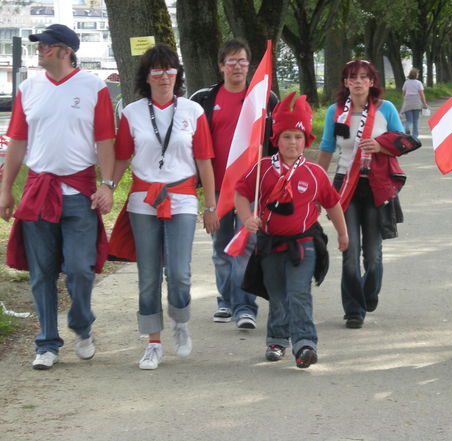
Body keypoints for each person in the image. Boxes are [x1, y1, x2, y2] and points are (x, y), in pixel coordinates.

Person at [0, 24, 116, 370]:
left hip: (80, 193)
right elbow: (18, 142)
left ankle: (81, 324)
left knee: (80, 269)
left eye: (46, 45)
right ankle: (47, 343)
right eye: (39, 45)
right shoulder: (28, 88)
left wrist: (107, 184)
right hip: (38, 192)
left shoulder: (93, 87)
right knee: (41, 273)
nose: (40, 50)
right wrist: (5, 189)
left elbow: (105, 141)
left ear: (66, 51)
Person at [109, 44, 219, 370]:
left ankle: (180, 321)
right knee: (148, 276)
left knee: (180, 273)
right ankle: (153, 343)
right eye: (157, 70)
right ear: (147, 76)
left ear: (177, 75)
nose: (164, 76)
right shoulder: (131, 112)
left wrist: (210, 204)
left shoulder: (192, 111)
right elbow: (121, 158)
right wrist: (107, 187)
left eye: (170, 70)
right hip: (143, 201)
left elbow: (204, 161)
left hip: (183, 198)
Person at [234, 92, 348, 368]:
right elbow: (240, 192)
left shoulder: (314, 172)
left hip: (304, 243)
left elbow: (332, 205)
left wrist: (343, 234)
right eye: (286, 136)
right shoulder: (262, 169)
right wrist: (247, 217)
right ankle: (276, 340)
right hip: (270, 244)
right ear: (276, 139)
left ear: (306, 139)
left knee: (299, 293)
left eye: (297, 137)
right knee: (278, 294)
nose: (292, 142)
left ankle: (305, 344)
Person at [191, 38, 277, 329]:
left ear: (250, 65)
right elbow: (193, 145)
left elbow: (275, 143)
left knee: (246, 243)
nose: (238, 67)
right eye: (231, 61)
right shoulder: (203, 99)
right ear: (221, 66)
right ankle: (225, 300)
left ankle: (244, 306)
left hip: (250, 187)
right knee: (220, 247)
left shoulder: (265, 98)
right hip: (217, 186)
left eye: (242, 61)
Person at [317, 59, 408, 329]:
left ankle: (369, 291)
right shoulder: (336, 112)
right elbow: (326, 148)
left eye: (363, 77)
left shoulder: (385, 109)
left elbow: (401, 141)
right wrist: (315, 184)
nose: (358, 82)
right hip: (345, 185)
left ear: (372, 82)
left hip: (376, 184)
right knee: (349, 249)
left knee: (372, 253)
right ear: (345, 83)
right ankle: (353, 310)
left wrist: (380, 146)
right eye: (352, 77)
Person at [401, 68, 428, 138]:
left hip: (408, 102)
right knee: (416, 119)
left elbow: (403, 93)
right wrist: (424, 103)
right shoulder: (418, 83)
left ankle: (406, 128)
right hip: (416, 102)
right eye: (418, 74)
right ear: (416, 75)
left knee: (409, 120)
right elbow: (421, 94)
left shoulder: (406, 82)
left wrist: (404, 102)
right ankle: (415, 135)